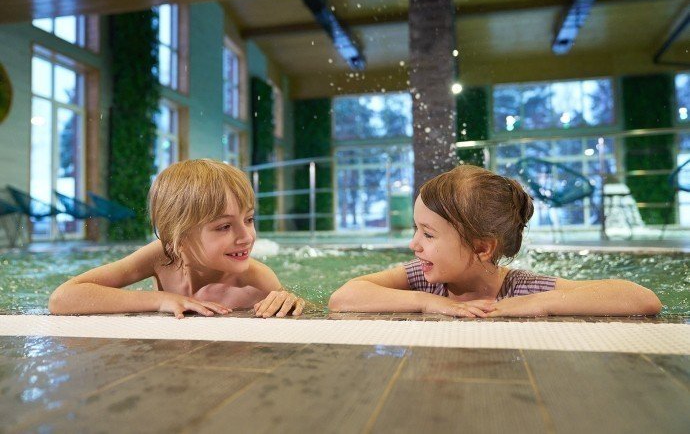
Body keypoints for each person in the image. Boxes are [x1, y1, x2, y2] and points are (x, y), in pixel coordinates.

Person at [329, 165, 662, 317]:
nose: (414, 244)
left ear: (481, 247)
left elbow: (642, 299)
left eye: (428, 234)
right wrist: (427, 302)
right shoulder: (421, 278)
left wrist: (539, 303)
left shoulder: (521, 288)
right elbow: (343, 297)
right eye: (417, 230)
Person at [49, 159, 305, 319]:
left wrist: (288, 300)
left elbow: (294, 307)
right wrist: (161, 299)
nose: (246, 236)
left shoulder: (257, 279)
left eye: (248, 219)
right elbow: (63, 298)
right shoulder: (161, 256)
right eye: (224, 226)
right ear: (178, 238)